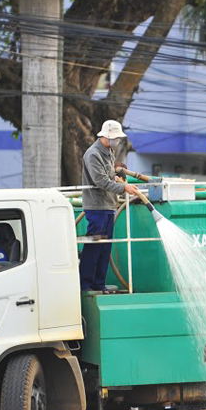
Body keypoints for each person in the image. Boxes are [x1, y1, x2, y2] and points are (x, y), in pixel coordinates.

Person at [79, 119, 140, 292]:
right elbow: (100, 181)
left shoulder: (109, 151)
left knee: (105, 248)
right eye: (115, 138)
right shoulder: (93, 154)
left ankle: (99, 284)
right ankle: (85, 285)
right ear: (106, 136)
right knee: (94, 248)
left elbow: (107, 175)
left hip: (108, 206)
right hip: (96, 207)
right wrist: (124, 187)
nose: (117, 141)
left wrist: (116, 178)